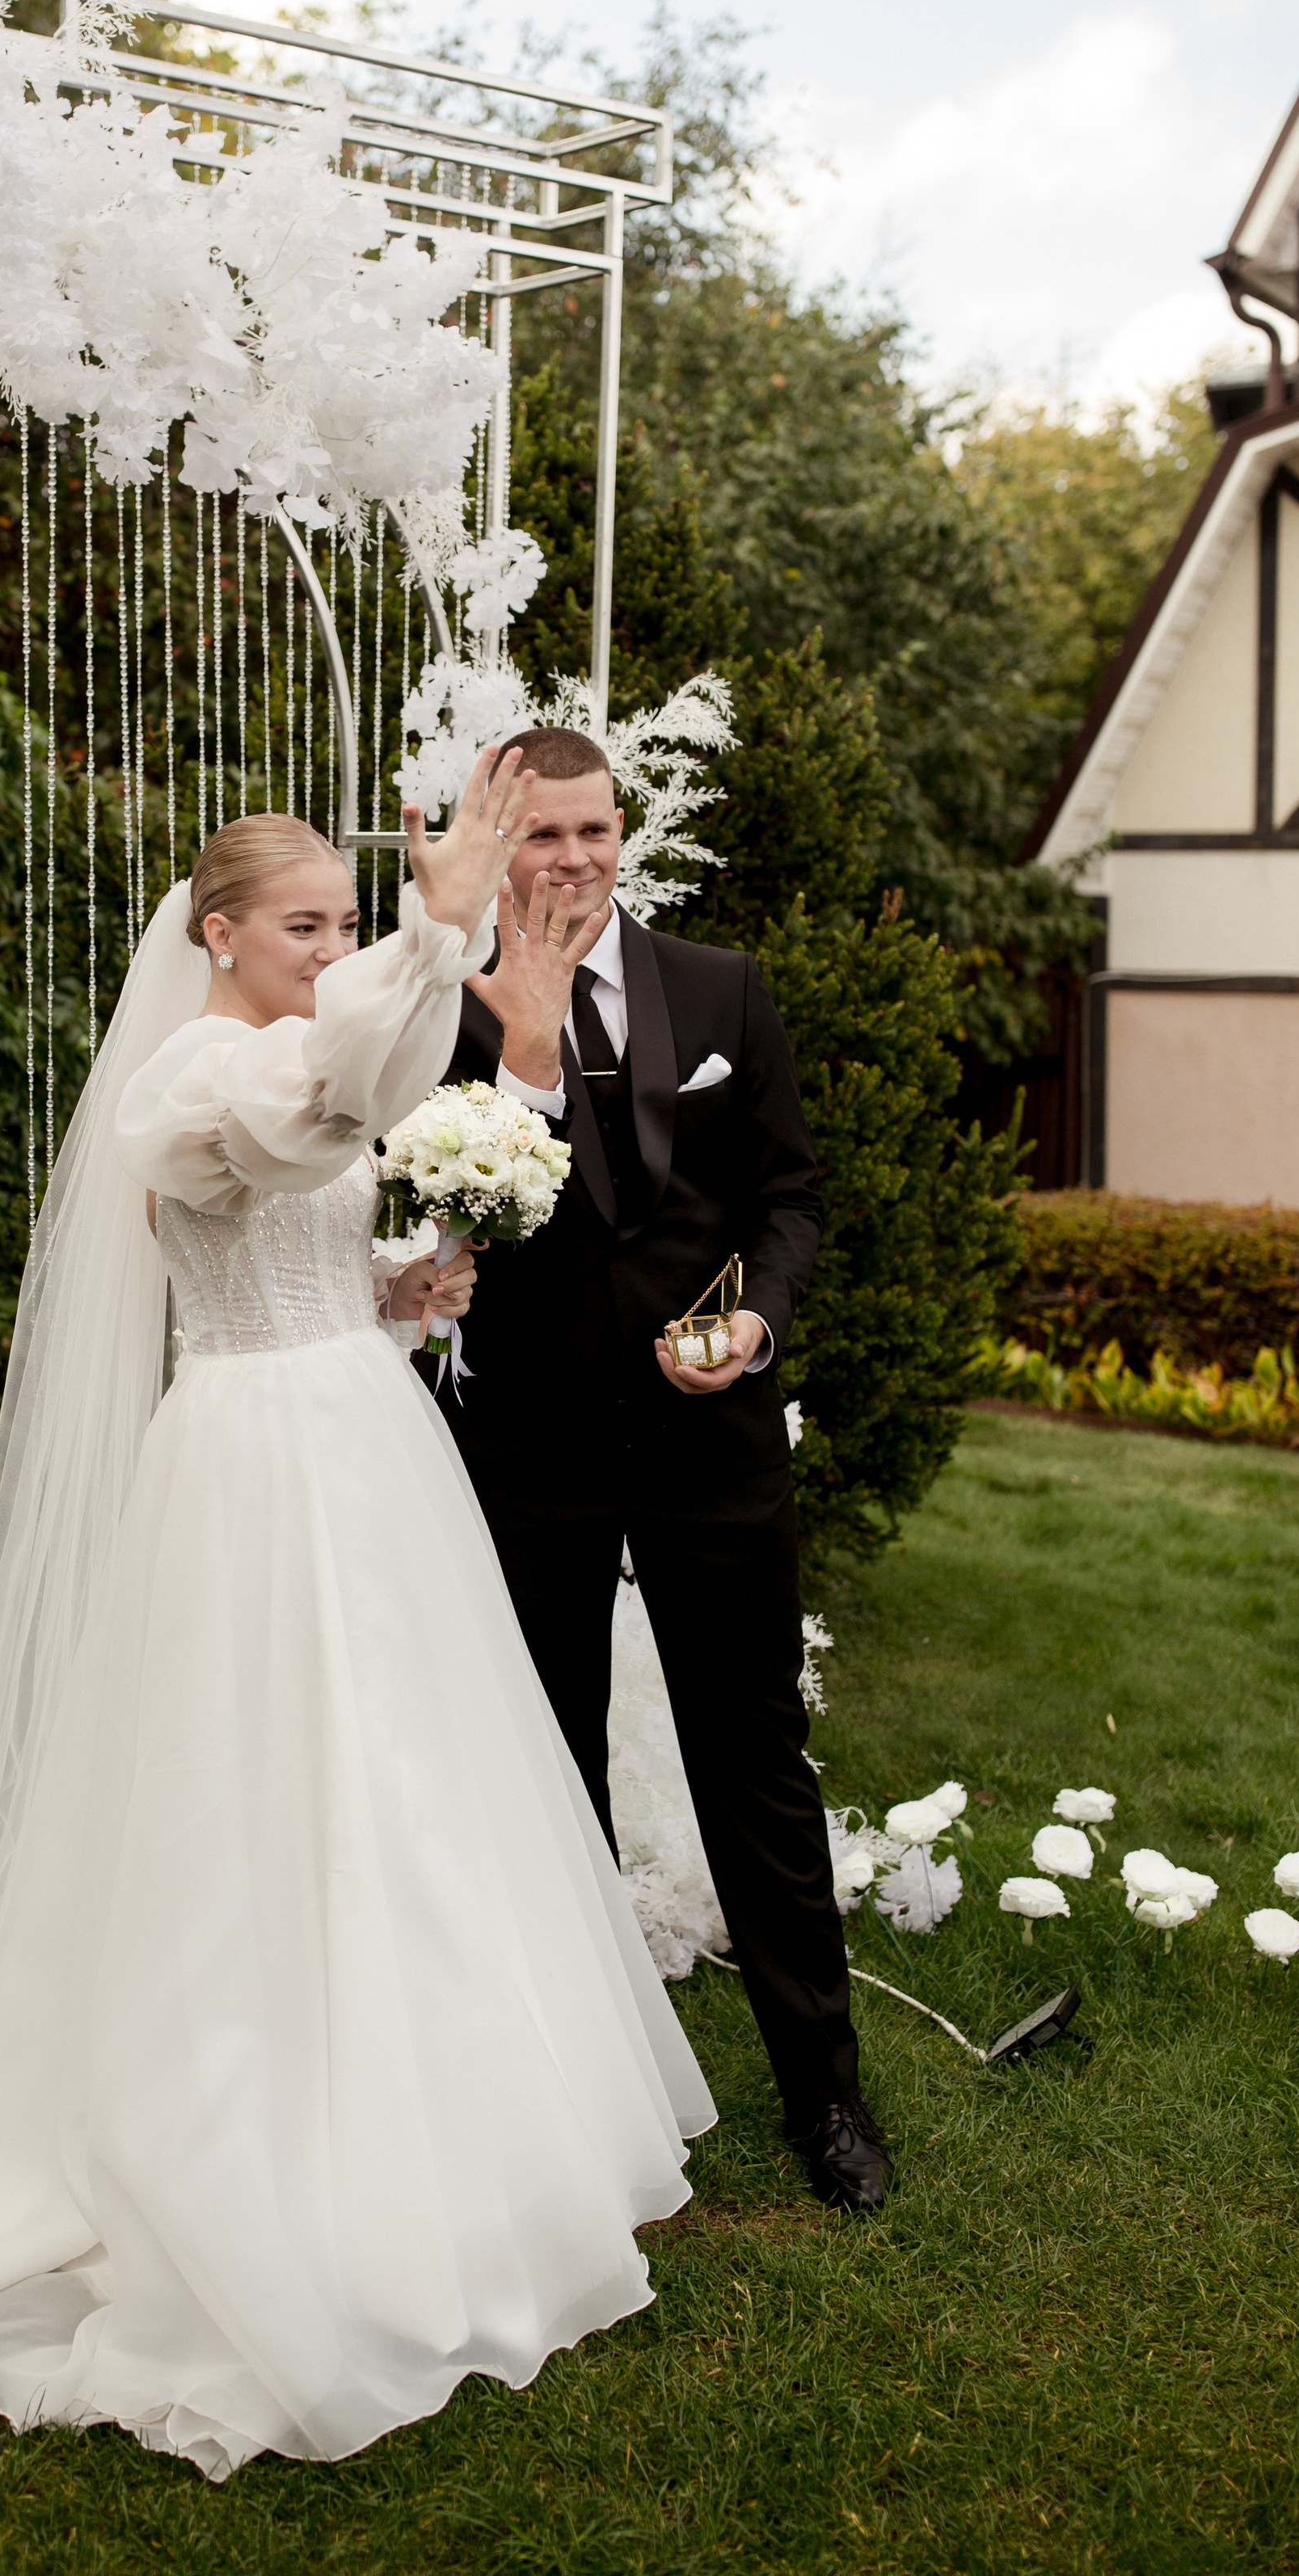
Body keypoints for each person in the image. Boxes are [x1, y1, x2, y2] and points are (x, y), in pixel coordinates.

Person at [0, 748, 714, 2478]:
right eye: (301, 923)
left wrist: (402, 1289)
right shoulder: (187, 1080)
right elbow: (298, 1124)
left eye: (339, 922)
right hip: (246, 1470)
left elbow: (327, 1189)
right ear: (215, 932)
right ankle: (250, 2131)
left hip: (358, 1431)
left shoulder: (293, 1055)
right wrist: (432, 944)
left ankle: (451, 2124)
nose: (322, 945)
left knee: (412, 1784)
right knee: (256, 1798)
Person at [426, 722, 887, 2214]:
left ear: (627, 831)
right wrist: (526, 1023)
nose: (569, 861)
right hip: (531, 1451)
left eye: (592, 831)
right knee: (548, 1776)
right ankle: (569, 2110)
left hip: (713, 1447)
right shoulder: (444, 1010)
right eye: (538, 837)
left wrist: (754, 1320)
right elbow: (424, 1198)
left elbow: (790, 1196)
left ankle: (827, 2099)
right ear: (497, 846)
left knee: (754, 1764)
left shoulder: (721, 989)